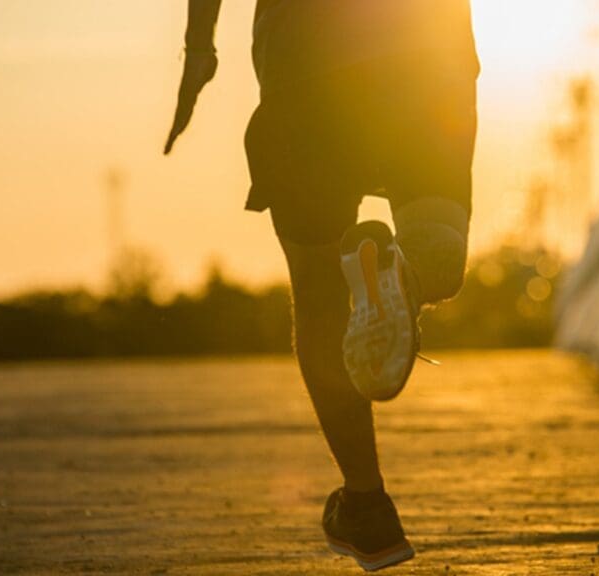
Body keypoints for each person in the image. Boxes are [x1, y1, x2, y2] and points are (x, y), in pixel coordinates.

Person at [165, 1, 478, 570]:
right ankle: (402, 275)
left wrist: (199, 48)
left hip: (305, 57)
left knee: (317, 291)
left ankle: (367, 504)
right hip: (427, 49)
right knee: (439, 251)